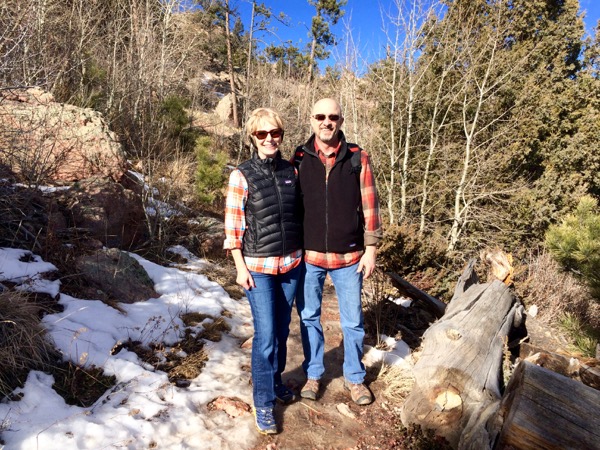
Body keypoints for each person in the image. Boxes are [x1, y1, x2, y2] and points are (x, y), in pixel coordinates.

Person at [293, 98, 382, 406]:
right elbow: (290, 206)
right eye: (320, 116)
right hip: (309, 257)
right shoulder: (300, 157)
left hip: (349, 257)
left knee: (353, 321)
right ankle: (314, 374)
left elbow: (370, 205)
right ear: (312, 119)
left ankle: (355, 378)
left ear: (341, 121)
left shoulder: (357, 157)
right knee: (308, 317)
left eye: (333, 117)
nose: (326, 121)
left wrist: (370, 249)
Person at [223, 107, 303, 434]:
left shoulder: (291, 171)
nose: (269, 139)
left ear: (281, 135)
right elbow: (233, 227)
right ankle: (264, 401)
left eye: (275, 133)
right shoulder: (241, 175)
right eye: (262, 134)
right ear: (252, 138)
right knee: (266, 336)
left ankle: (275, 381)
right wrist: (239, 267)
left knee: (283, 331)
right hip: (258, 268)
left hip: (291, 265)